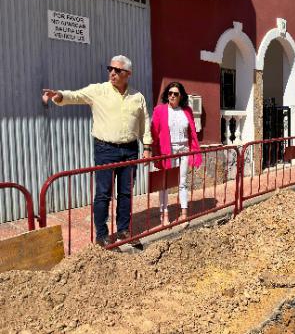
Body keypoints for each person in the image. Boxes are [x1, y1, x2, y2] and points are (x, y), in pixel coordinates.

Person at [41, 55, 152, 247]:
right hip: (105, 149)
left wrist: (148, 146)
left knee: (126, 193)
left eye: (117, 70)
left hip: (130, 150)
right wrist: (59, 96)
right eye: (110, 69)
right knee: (103, 193)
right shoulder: (98, 90)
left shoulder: (137, 96)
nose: (112, 73)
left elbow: (145, 123)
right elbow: (76, 96)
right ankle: (102, 235)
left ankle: (124, 230)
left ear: (128, 74)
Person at [151, 81, 202, 224]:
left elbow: (191, 131)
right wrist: (150, 150)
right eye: (170, 93)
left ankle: (184, 212)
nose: (172, 96)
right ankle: (164, 213)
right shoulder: (160, 110)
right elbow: (153, 131)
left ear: (181, 96)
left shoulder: (187, 111)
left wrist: (194, 149)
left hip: (184, 149)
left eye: (175, 94)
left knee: (183, 182)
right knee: (165, 183)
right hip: (167, 150)